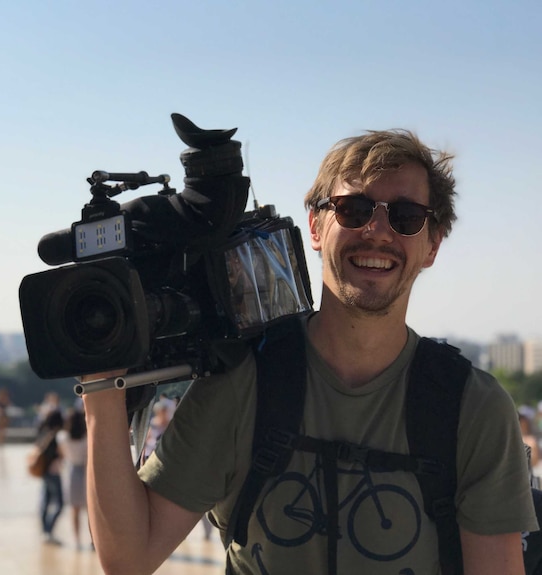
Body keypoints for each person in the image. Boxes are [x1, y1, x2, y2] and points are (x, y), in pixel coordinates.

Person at [83, 129, 537, 574]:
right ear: (316, 226)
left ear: (432, 244)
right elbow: (128, 558)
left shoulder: (471, 407)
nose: (377, 230)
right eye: (354, 209)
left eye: (406, 216)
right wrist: (103, 389)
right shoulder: (245, 382)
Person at [58, 409, 90, 549]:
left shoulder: (62, 437)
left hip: (71, 471)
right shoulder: (87, 437)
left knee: (74, 509)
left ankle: (77, 540)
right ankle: (92, 540)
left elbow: (62, 454)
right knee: (90, 510)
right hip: (86, 470)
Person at [37, 409, 65, 545]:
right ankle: (48, 530)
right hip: (54, 472)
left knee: (45, 502)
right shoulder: (56, 436)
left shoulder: (43, 432)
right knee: (59, 503)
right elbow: (59, 454)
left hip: (43, 471)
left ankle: (45, 531)